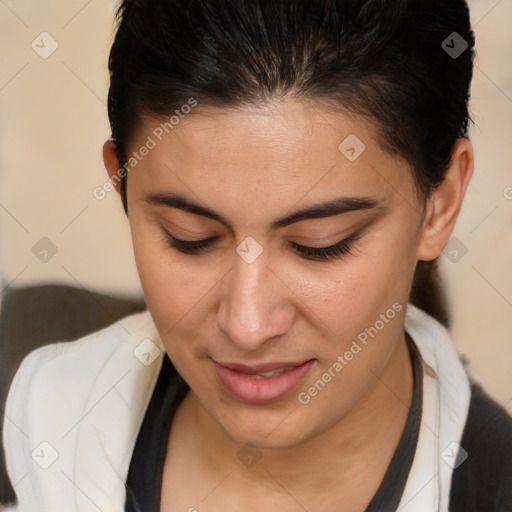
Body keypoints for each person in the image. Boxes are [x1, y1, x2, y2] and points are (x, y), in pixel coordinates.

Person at [2, 0, 512, 511]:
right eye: (190, 237)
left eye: (320, 244)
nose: (247, 326)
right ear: (123, 186)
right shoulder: (54, 416)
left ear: (439, 204)